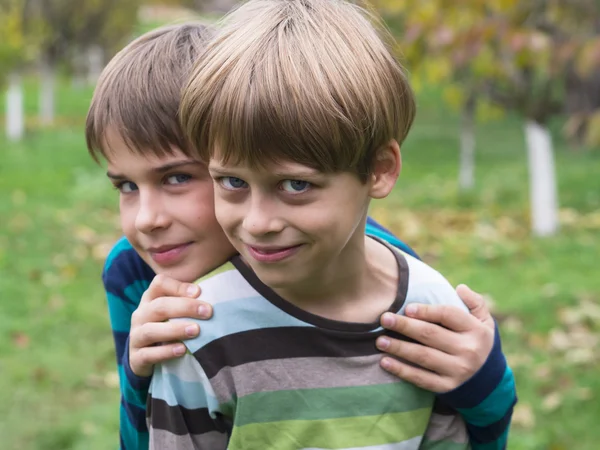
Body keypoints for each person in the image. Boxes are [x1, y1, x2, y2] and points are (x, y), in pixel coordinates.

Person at [146, 1, 516, 449]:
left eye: (296, 185)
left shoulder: (429, 315)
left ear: (378, 170)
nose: (258, 222)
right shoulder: (198, 331)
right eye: (232, 182)